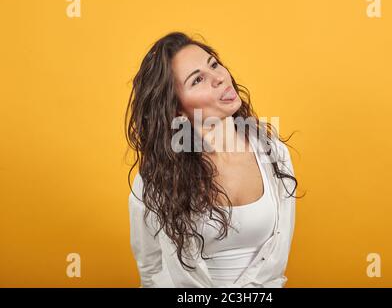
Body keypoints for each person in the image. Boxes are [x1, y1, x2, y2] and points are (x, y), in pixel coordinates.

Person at [124, 31, 304, 287]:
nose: (219, 78)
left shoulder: (273, 153)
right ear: (177, 109)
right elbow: (151, 270)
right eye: (198, 80)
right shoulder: (158, 178)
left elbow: (275, 263)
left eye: (214, 64)